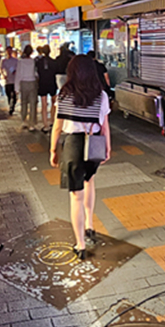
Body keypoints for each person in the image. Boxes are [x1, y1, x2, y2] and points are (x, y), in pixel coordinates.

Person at [50, 55, 111, 260]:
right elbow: (104, 125)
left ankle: (80, 244)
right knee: (90, 180)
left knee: (76, 195)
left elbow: (57, 126)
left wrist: (53, 150)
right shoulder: (100, 95)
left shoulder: (64, 94)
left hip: (73, 145)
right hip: (94, 143)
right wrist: (108, 147)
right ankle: (90, 225)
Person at [14, 45, 38, 131]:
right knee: (33, 104)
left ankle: (24, 120)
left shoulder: (20, 62)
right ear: (31, 52)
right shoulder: (33, 61)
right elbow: (36, 73)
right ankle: (32, 124)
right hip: (32, 83)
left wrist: (16, 88)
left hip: (23, 83)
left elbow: (18, 75)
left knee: (23, 102)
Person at [36, 44, 58, 132]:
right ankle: (52, 121)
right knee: (54, 103)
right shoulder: (53, 61)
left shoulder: (39, 62)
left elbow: (37, 72)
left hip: (42, 83)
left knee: (44, 105)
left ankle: (45, 124)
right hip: (52, 83)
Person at [0, 47, 18, 115]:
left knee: (14, 95)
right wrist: (3, 74)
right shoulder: (4, 61)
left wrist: (15, 72)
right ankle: (10, 105)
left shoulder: (16, 61)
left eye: (10, 51)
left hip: (14, 80)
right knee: (8, 94)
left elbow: (18, 69)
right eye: (8, 51)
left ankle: (12, 107)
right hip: (7, 80)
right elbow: (1, 69)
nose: (9, 52)